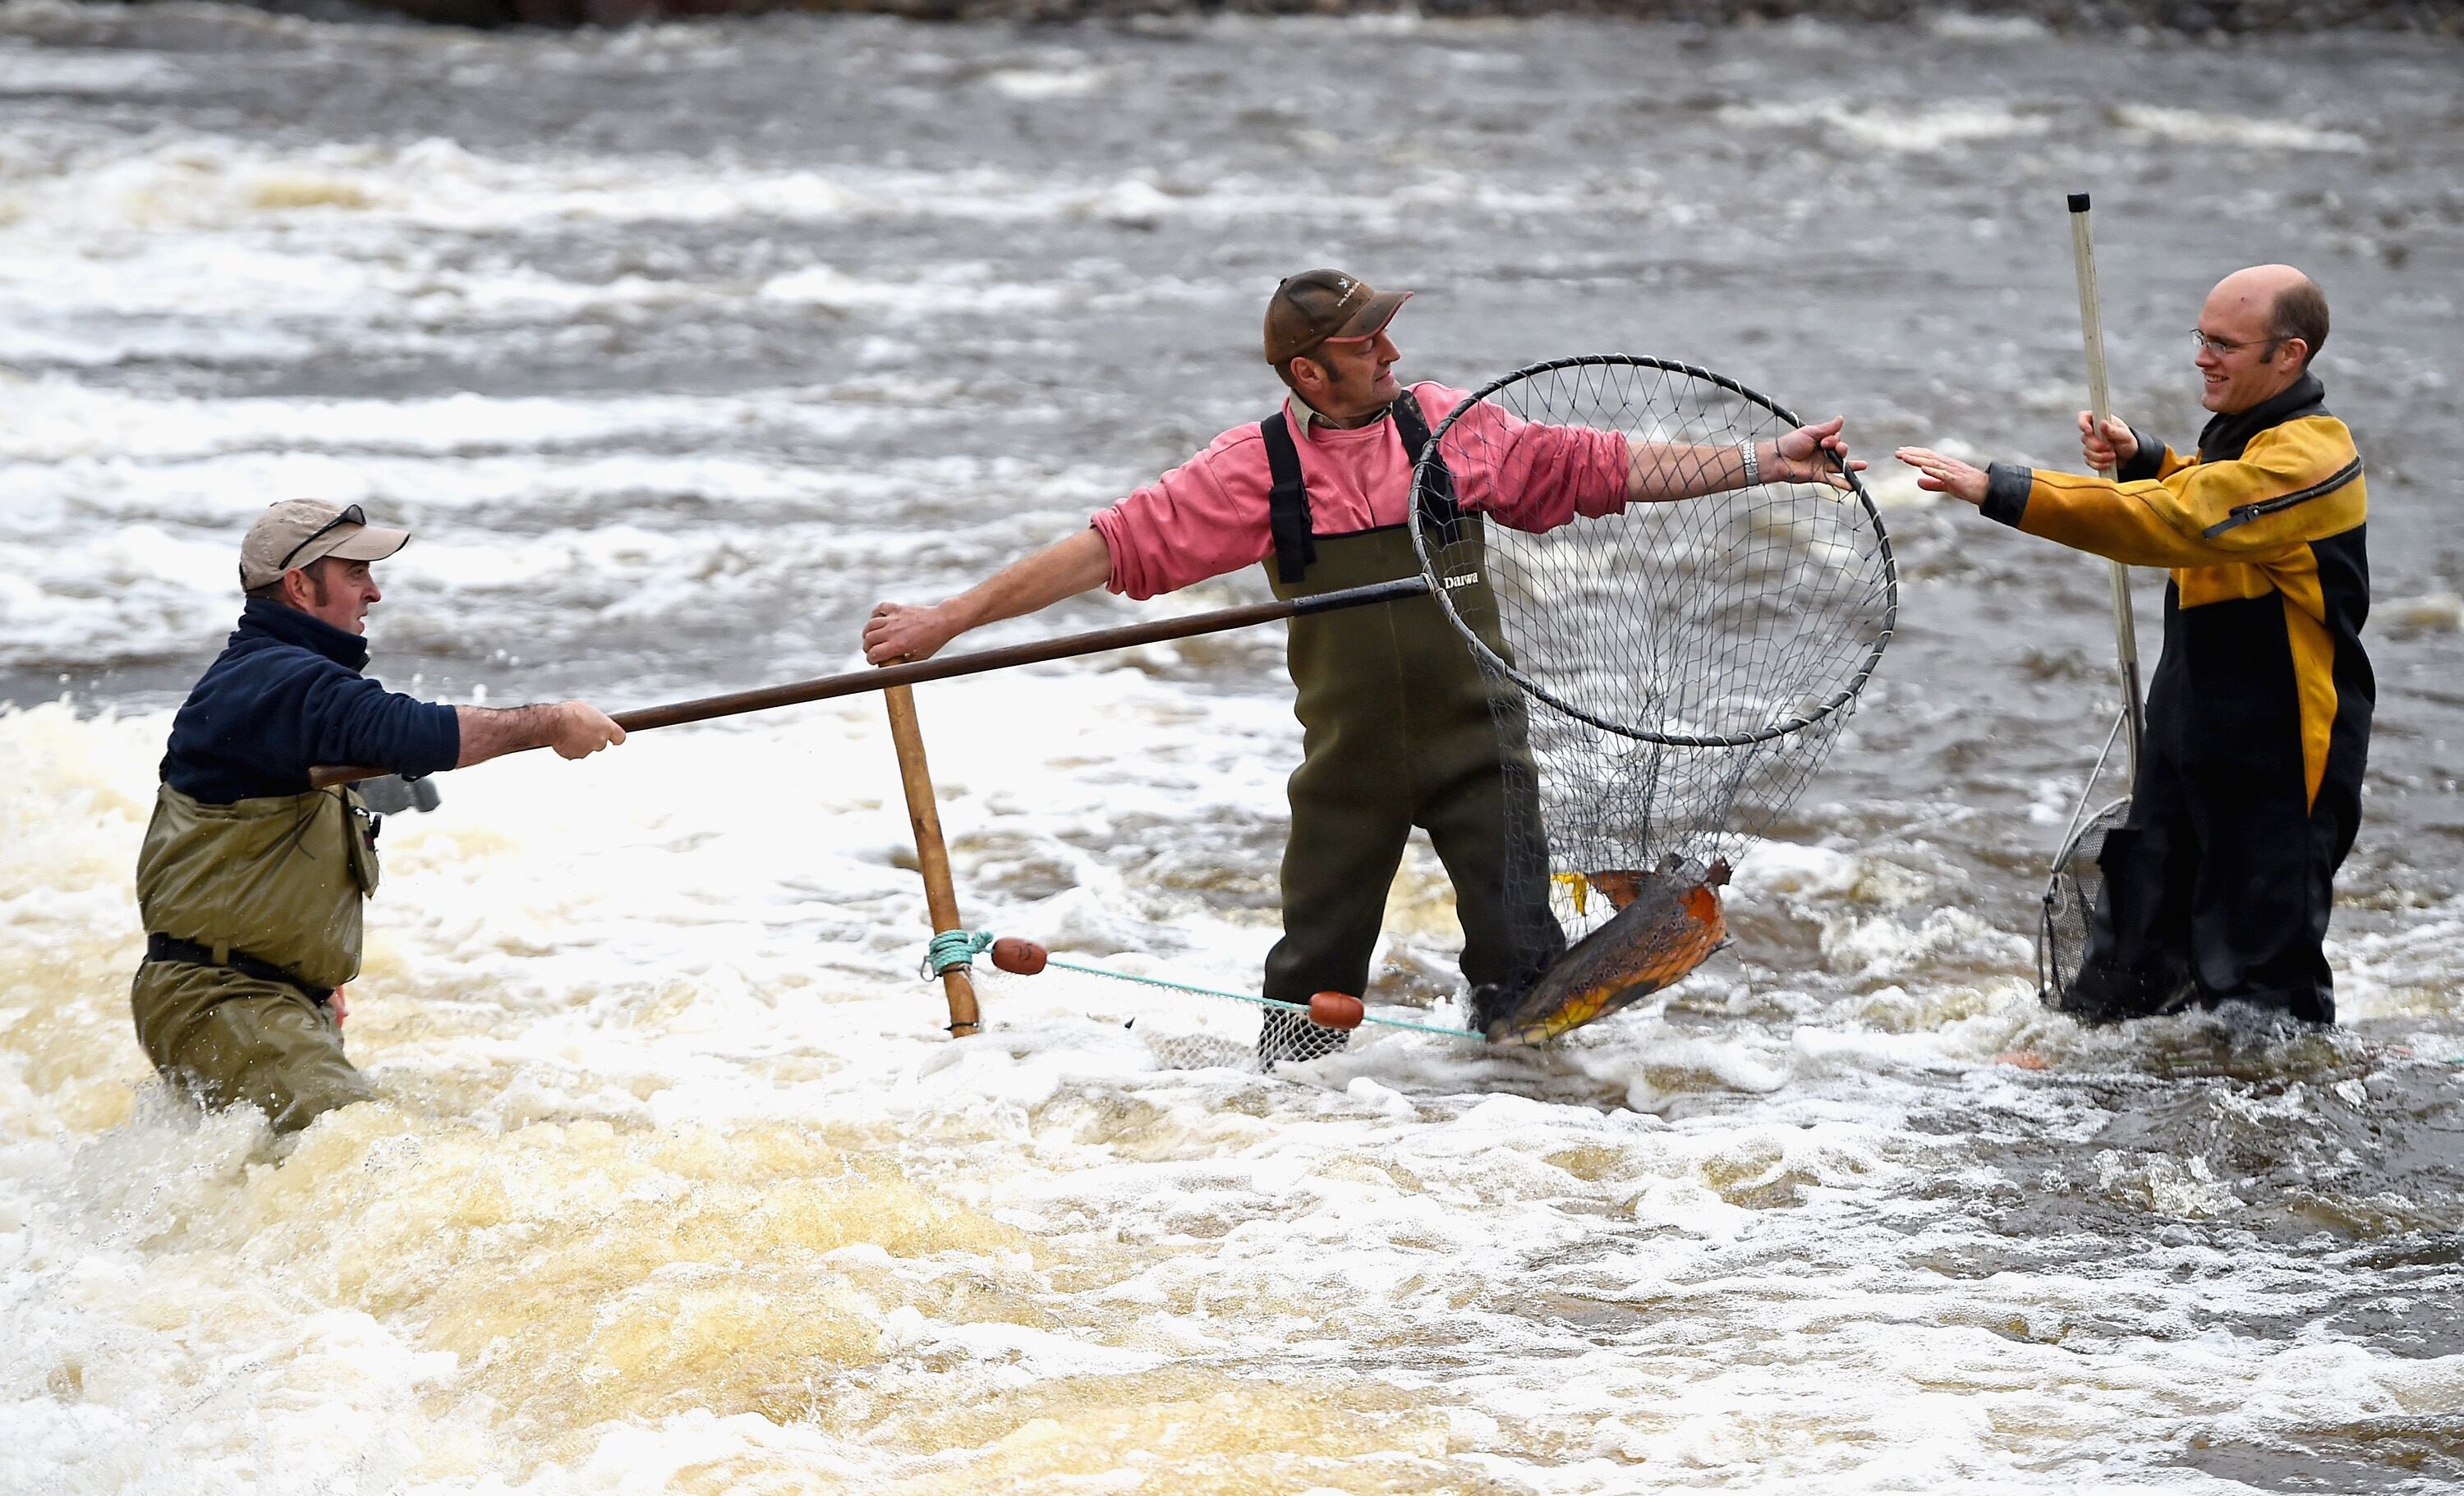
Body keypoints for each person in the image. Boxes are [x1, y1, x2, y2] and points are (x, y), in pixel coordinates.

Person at [863, 270, 1859, 1053]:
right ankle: (1307, 1170)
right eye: (1362, 342)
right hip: (1350, 776)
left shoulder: (1450, 428)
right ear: (1308, 372)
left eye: (1385, 332)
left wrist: (1763, 461)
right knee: (1303, 1008)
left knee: (1529, 995)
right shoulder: (1248, 472)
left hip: (1485, 757)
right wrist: (947, 620)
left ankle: (1519, 1165)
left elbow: (1596, 465)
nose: (1389, 351)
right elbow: (1101, 549)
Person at [1896, 265, 2369, 1024]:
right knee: (2137, 932)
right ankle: (2079, 1083)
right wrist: (2151, 459)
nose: (2202, 357)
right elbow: (2206, 490)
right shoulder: (2249, 444)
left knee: (2262, 995)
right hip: (2196, 722)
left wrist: (2003, 489)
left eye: (2224, 344)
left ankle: (2269, 1124)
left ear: (2290, 355)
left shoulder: (2313, 457)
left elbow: (2176, 521)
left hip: (2281, 750)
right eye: (2200, 337)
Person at [132, 499, 627, 1132]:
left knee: (300, 1184)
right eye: (355, 573)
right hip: (227, 999)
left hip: (256, 995)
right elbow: (415, 733)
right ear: (299, 584)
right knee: (364, 1160)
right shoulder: (271, 683)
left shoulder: (285, 688)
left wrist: (307, 976)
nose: (375, 591)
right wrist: (550, 722)